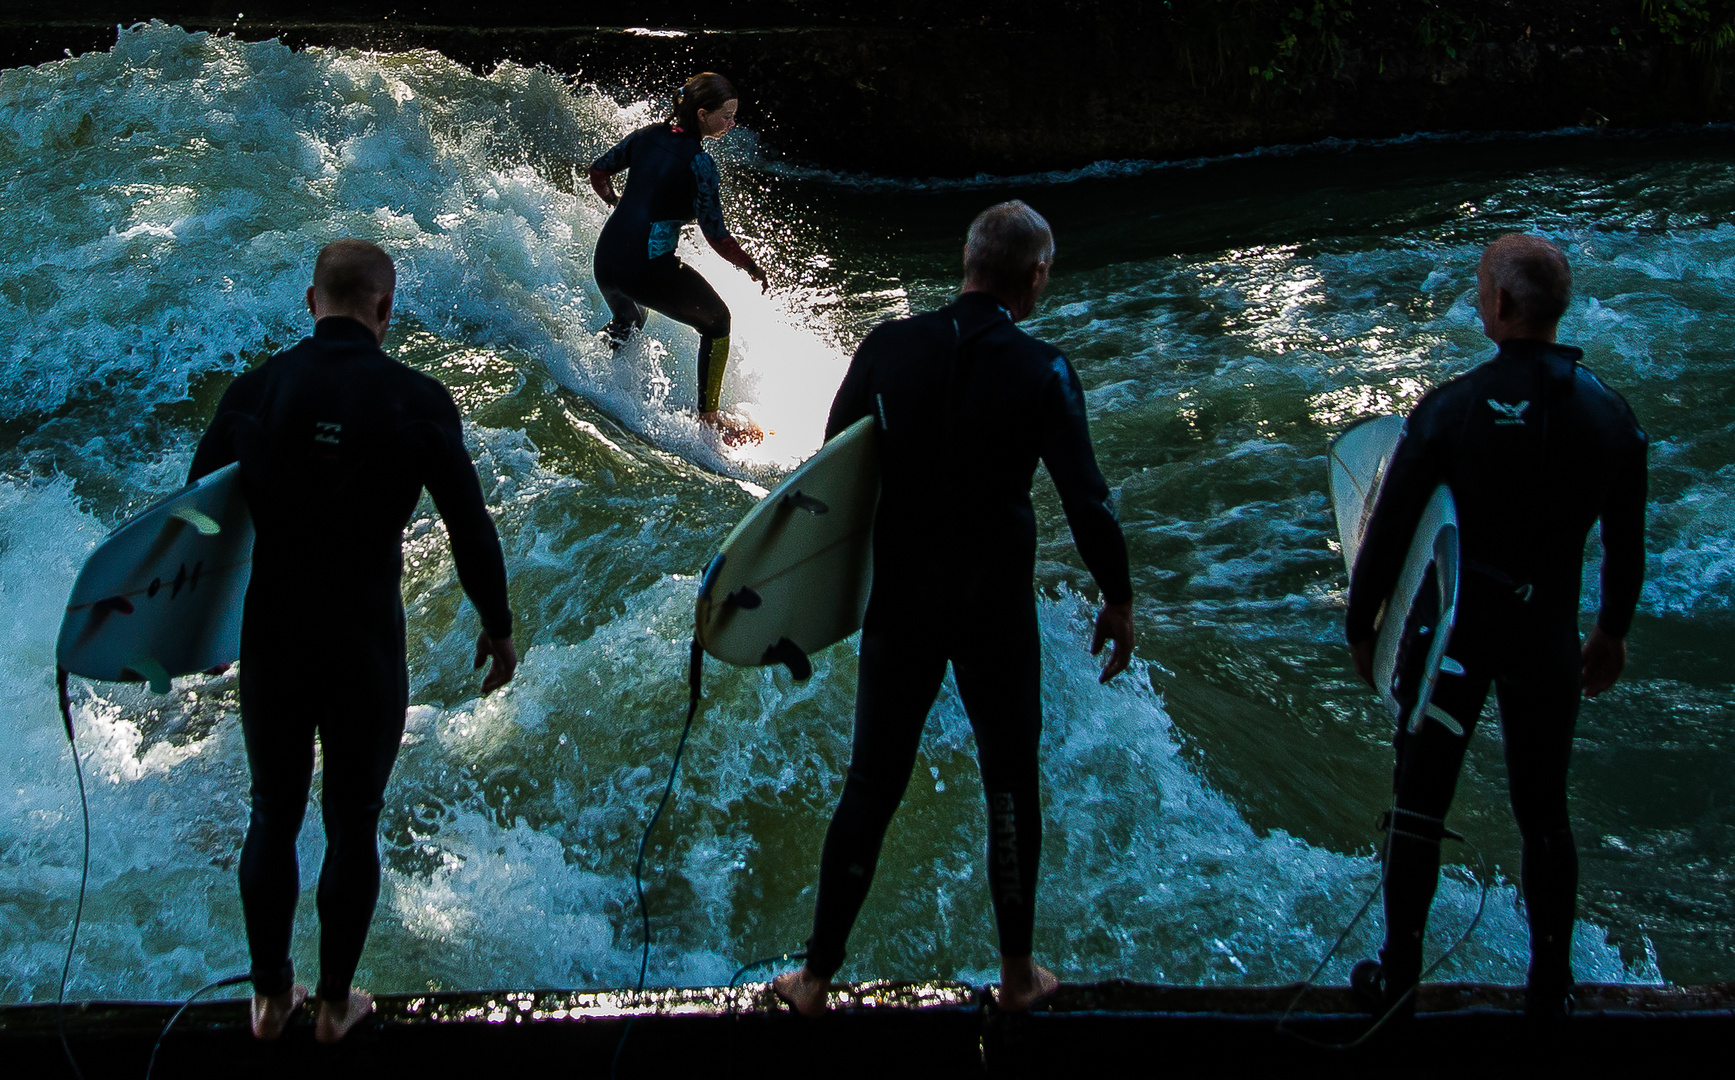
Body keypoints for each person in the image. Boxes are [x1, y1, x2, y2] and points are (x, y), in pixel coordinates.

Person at [772, 201, 1136, 1017]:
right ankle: (1015, 978)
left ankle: (813, 979)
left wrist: (818, 591)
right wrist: (1117, 597)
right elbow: (1089, 502)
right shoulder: (1043, 369)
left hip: (901, 595)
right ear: (1034, 274)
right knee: (1008, 783)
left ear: (966, 261)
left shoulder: (888, 346)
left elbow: (831, 470)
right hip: (991, 603)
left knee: (870, 783)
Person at [188, 239, 518, 1043]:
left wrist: (205, 632)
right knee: (353, 821)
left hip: (274, 634)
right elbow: (469, 526)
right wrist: (497, 627)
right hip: (364, 639)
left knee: (272, 813)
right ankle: (334, 1005)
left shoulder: (257, 390)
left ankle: (270, 1002)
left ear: (310, 302)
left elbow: (194, 519)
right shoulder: (416, 399)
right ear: (385, 308)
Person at [1346, 233, 1647, 1019]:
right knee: (1544, 811)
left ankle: (1398, 982)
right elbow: (1625, 544)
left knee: (1418, 802)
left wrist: (1363, 630)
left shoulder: (1449, 409)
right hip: (1546, 635)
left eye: (1481, 287)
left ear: (1500, 306)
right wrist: (1609, 631)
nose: (1480, 298)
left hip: (1457, 638)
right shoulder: (1613, 419)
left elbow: (1388, 533)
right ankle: (1550, 990)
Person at [588, 71, 768, 445]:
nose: (732, 123)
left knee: (631, 318)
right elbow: (716, 236)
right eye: (727, 116)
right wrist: (750, 265)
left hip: (606, 258)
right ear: (702, 114)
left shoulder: (648, 134)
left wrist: (612, 201)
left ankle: (589, 372)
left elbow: (599, 170)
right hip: (645, 267)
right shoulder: (700, 164)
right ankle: (710, 422)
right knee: (718, 322)